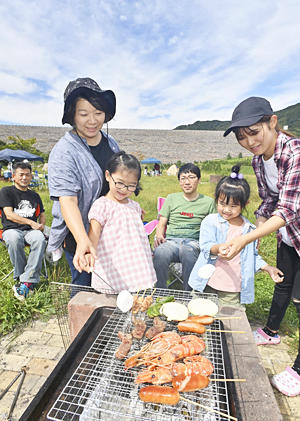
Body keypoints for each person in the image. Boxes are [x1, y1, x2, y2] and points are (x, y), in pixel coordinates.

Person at [222, 96, 300, 396]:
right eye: (242, 137)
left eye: (254, 132)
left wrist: (245, 238)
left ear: (273, 122)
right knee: (283, 283)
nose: (249, 142)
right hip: (289, 236)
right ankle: (270, 331)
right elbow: (270, 201)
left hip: (291, 224)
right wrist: (249, 225)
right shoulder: (257, 160)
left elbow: (288, 209)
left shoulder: (294, 153)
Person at [48, 77, 120, 286]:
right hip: (80, 233)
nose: (92, 120)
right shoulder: (64, 151)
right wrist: (83, 240)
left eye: (98, 113)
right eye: (84, 114)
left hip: (109, 232)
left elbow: (119, 178)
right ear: (72, 114)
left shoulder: (111, 143)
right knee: (84, 289)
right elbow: (68, 201)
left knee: (111, 286)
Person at [189, 165, 283, 308]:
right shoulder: (210, 222)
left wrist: (268, 268)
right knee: (199, 316)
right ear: (216, 200)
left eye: (233, 206)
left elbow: (252, 255)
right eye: (222, 203)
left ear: (245, 204)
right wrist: (218, 248)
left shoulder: (249, 230)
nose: (226, 210)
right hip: (206, 282)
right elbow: (205, 246)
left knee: (230, 322)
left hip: (232, 287)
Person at [80, 151, 157, 292]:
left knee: (137, 303)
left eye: (131, 186)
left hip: (136, 268)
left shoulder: (135, 206)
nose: (124, 190)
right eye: (120, 183)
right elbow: (94, 236)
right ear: (108, 176)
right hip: (113, 269)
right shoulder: (101, 205)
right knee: (112, 306)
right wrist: (89, 253)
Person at [153, 163, 216, 290]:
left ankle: (189, 293)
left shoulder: (208, 202)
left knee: (187, 251)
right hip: (171, 241)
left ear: (198, 180)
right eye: (183, 178)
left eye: (191, 177)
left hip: (194, 243)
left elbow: (213, 226)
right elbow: (162, 222)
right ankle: (160, 291)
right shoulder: (171, 199)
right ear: (179, 181)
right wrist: (159, 235)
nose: (187, 182)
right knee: (160, 252)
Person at [0, 162, 46, 300]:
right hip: (11, 229)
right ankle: (24, 278)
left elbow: (42, 214)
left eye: (27, 174)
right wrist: (32, 222)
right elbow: (9, 214)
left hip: (30, 231)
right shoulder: (6, 192)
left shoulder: (35, 195)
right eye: (21, 174)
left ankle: (26, 281)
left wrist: (42, 225)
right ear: (14, 176)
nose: (24, 178)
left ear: (31, 176)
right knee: (14, 238)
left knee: (39, 238)